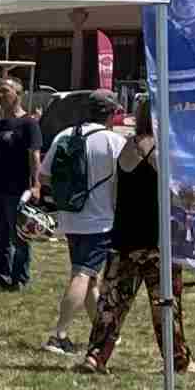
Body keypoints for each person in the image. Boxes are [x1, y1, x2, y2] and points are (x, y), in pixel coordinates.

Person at [81, 103, 193, 378]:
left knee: (112, 303)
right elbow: (179, 195)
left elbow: (114, 194)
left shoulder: (125, 149)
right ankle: (177, 361)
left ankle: (96, 356)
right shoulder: (165, 151)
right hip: (159, 241)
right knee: (166, 304)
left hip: (124, 238)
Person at [40, 98, 124, 355]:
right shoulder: (114, 142)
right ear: (110, 115)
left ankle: (104, 332)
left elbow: (44, 176)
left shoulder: (65, 135)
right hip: (99, 222)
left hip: (70, 218)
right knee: (82, 275)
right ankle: (59, 335)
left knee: (89, 278)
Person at [0, 76, 37, 290]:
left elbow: (34, 155)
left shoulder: (28, 123)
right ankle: (1, 276)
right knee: (0, 237)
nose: (1, 95)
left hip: (18, 190)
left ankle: (19, 278)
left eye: (6, 91)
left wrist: (36, 185)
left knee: (19, 236)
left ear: (18, 94)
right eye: (0, 91)